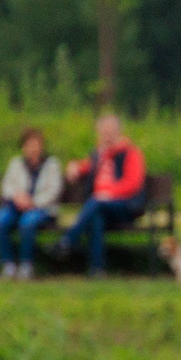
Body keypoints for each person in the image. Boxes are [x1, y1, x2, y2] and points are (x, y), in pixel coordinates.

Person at [60, 113, 147, 277]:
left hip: (126, 207)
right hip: (101, 207)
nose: (106, 136)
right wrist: (74, 167)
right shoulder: (99, 154)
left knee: (96, 202)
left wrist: (108, 194)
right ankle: (97, 270)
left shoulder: (131, 153)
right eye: (103, 132)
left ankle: (68, 241)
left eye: (110, 132)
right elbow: (86, 167)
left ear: (118, 132)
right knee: (96, 217)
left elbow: (132, 184)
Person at [0, 128, 62, 279]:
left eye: (35, 144)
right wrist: (17, 197)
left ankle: (26, 265)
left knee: (27, 222)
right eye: (28, 145)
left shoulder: (51, 164)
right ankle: (8, 264)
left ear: (41, 146)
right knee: (0, 220)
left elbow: (54, 190)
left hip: (42, 208)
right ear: (23, 147)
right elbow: (6, 186)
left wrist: (33, 202)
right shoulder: (16, 163)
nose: (32, 148)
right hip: (16, 205)